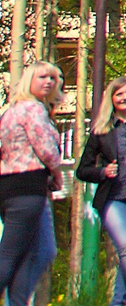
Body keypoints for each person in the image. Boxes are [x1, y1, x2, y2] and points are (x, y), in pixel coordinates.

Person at [76, 79, 126, 306]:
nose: (125, 97)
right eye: (119, 94)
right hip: (111, 198)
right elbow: (82, 170)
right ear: (112, 99)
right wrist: (103, 171)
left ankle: (118, 302)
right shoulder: (102, 130)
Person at [0, 62, 63, 306]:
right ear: (29, 81)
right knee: (9, 255)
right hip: (27, 188)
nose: (48, 82)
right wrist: (57, 174)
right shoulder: (33, 108)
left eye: (52, 78)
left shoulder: (10, 111)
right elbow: (46, 149)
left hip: (10, 188)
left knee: (34, 253)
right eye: (42, 77)